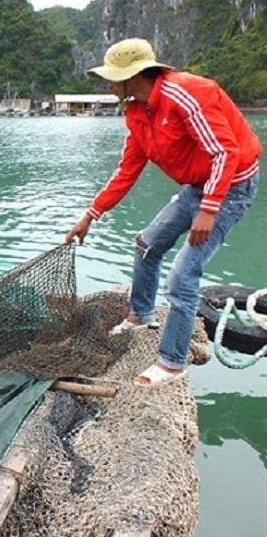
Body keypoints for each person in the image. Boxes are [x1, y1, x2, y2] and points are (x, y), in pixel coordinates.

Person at [64, 38, 262, 387]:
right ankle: (141, 315)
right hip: (198, 187)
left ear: (134, 75)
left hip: (231, 188)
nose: (108, 84)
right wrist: (90, 215)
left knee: (182, 278)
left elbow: (224, 152)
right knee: (146, 244)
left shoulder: (185, 94)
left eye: (113, 77)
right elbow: (126, 172)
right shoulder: (138, 113)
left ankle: (172, 362)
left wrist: (209, 209)